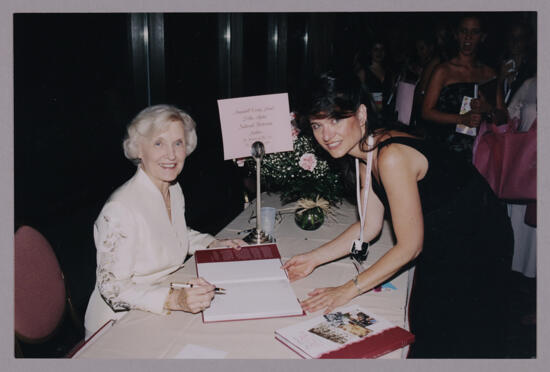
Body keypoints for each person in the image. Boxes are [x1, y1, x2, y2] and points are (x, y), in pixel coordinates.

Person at [283, 71, 513, 358]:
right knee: (429, 326)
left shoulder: (390, 155)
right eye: (317, 125)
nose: (326, 135)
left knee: (457, 337)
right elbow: (368, 227)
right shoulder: (365, 153)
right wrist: (312, 258)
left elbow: (410, 246)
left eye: (336, 120)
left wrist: (347, 290)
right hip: (447, 234)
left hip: (479, 241)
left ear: (361, 113)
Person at [84, 104, 245, 338]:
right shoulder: (120, 208)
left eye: (178, 143)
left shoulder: (173, 188)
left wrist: (212, 244)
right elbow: (113, 289)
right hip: (118, 323)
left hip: (161, 300)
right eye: (158, 143)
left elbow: (173, 233)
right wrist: (174, 300)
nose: (171, 155)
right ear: (139, 149)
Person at [421, 13, 506, 161]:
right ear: (456, 35)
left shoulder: (489, 73)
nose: (468, 37)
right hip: (446, 148)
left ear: (482, 37)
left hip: (480, 150)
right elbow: (426, 112)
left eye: (475, 32)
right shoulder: (443, 70)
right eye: (464, 31)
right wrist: (461, 119)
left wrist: (488, 109)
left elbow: (504, 117)